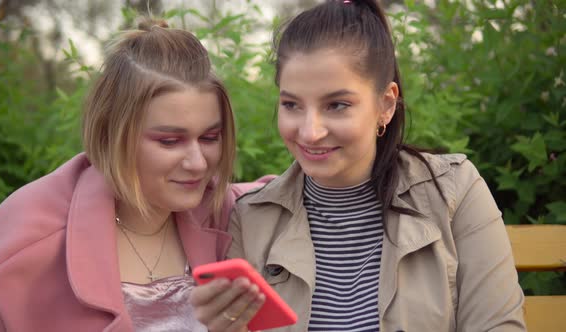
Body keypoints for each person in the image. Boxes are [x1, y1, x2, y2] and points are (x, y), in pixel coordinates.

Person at [189, 1, 526, 331]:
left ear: (386, 105)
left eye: (337, 105)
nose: (310, 131)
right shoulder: (252, 219)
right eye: (292, 104)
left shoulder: (454, 192)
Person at [0, 18, 269, 332]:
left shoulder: (231, 210)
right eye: (169, 141)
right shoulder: (17, 251)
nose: (198, 163)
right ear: (110, 133)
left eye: (210, 138)